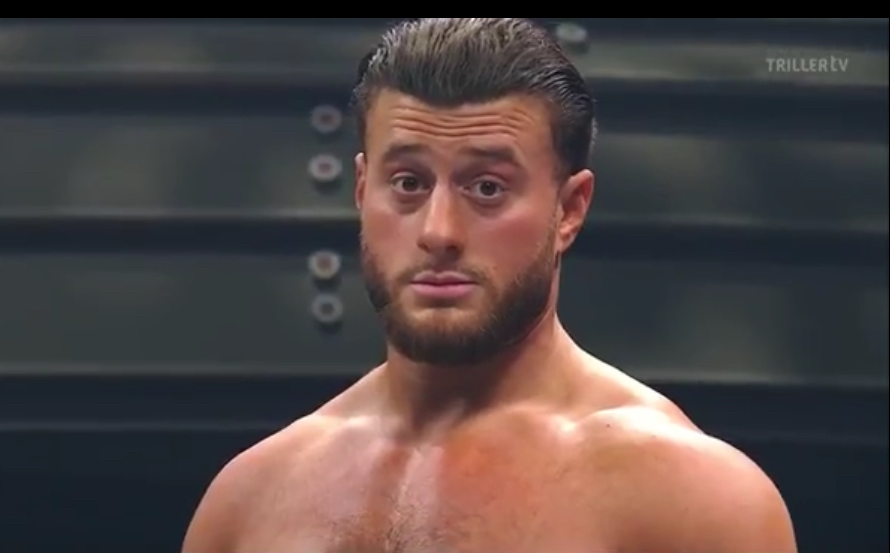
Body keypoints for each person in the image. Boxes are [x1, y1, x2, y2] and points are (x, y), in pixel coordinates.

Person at [181, 18, 797, 553]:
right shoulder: (250, 500)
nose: (439, 232)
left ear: (570, 209)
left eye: (487, 188)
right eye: (408, 183)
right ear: (363, 190)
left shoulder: (694, 498)